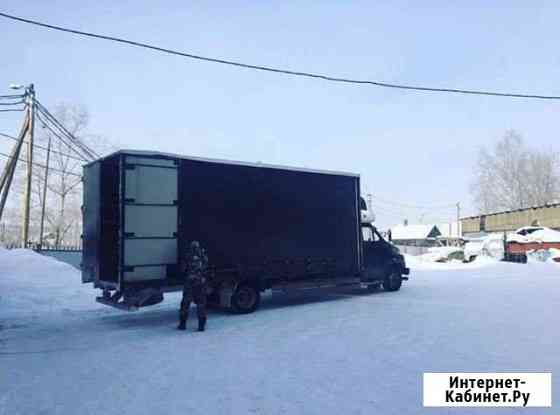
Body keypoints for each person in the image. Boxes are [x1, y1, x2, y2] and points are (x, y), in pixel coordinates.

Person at [177, 240, 209, 332]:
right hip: (200, 283)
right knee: (201, 305)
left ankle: (182, 325)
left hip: (190, 283)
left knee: (185, 304)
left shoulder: (187, 256)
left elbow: (183, 269)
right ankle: (201, 326)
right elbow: (206, 267)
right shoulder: (203, 256)